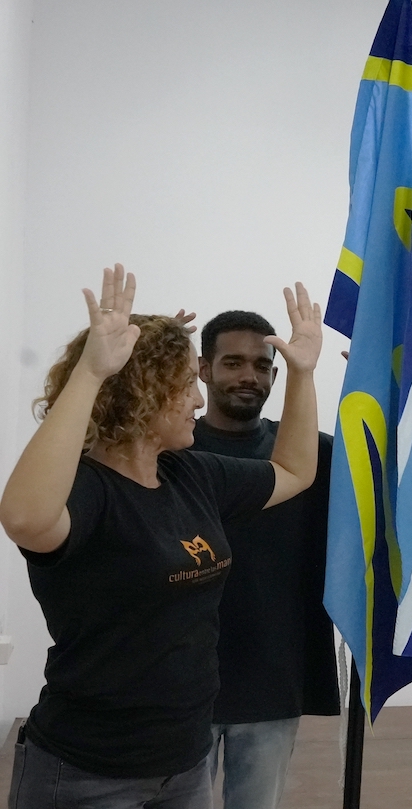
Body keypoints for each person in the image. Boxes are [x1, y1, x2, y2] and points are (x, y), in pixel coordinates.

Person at [0, 264, 322, 809]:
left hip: (184, 763)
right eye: (184, 385)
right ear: (145, 395)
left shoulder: (190, 473)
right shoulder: (88, 491)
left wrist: (304, 375)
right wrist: (91, 373)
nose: (198, 400)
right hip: (87, 772)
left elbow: (294, 471)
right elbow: (25, 518)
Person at [190, 310, 339, 809]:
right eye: (233, 363)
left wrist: (385, 394)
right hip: (181, 679)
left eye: (261, 365)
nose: (249, 376)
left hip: (272, 676)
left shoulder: (313, 455)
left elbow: (383, 484)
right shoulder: (170, 455)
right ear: (203, 369)